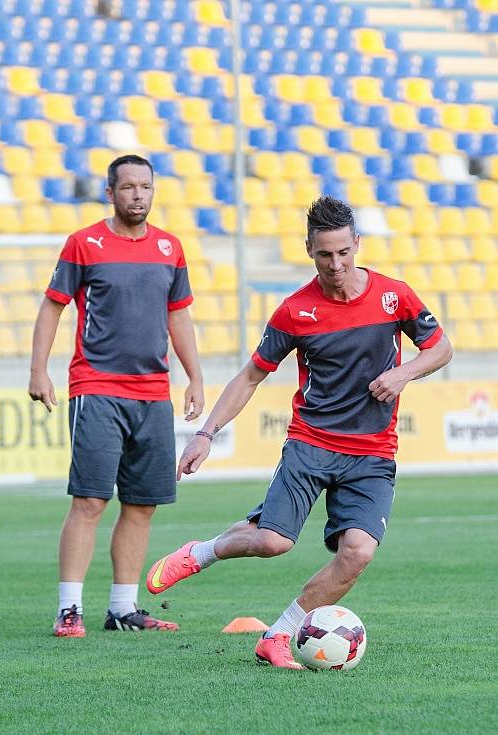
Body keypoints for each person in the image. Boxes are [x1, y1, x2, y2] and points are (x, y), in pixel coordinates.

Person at [146, 195, 453, 669]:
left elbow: (441, 348)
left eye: (344, 253)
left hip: (373, 453)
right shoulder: (295, 311)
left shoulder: (395, 296)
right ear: (309, 249)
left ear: (358, 244)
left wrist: (404, 372)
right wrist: (206, 434)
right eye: (325, 254)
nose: (336, 265)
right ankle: (201, 552)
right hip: (311, 444)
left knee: (358, 553)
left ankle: (279, 635)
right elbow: (250, 376)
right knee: (272, 543)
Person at [28, 154, 204, 637]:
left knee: (142, 504)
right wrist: (38, 369)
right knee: (89, 500)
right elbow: (52, 307)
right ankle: (70, 609)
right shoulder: (84, 244)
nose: (138, 195)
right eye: (127, 187)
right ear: (110, 193)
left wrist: (195, 376)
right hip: (97, 387)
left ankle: (123, 608)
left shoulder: (170, 247)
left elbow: (179, 315)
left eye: (145, 186)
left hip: (153, 394)